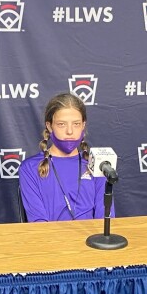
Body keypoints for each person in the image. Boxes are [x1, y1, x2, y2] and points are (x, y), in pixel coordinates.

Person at [19, 93, 109, 222]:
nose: (70, 131)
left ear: (83, 125)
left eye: (76, 124)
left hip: (92, 240)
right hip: (51, 240)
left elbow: (105, 217)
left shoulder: (98, 164)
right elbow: (37, 222)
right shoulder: (30, 168)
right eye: (61, 124)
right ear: (49, 126)